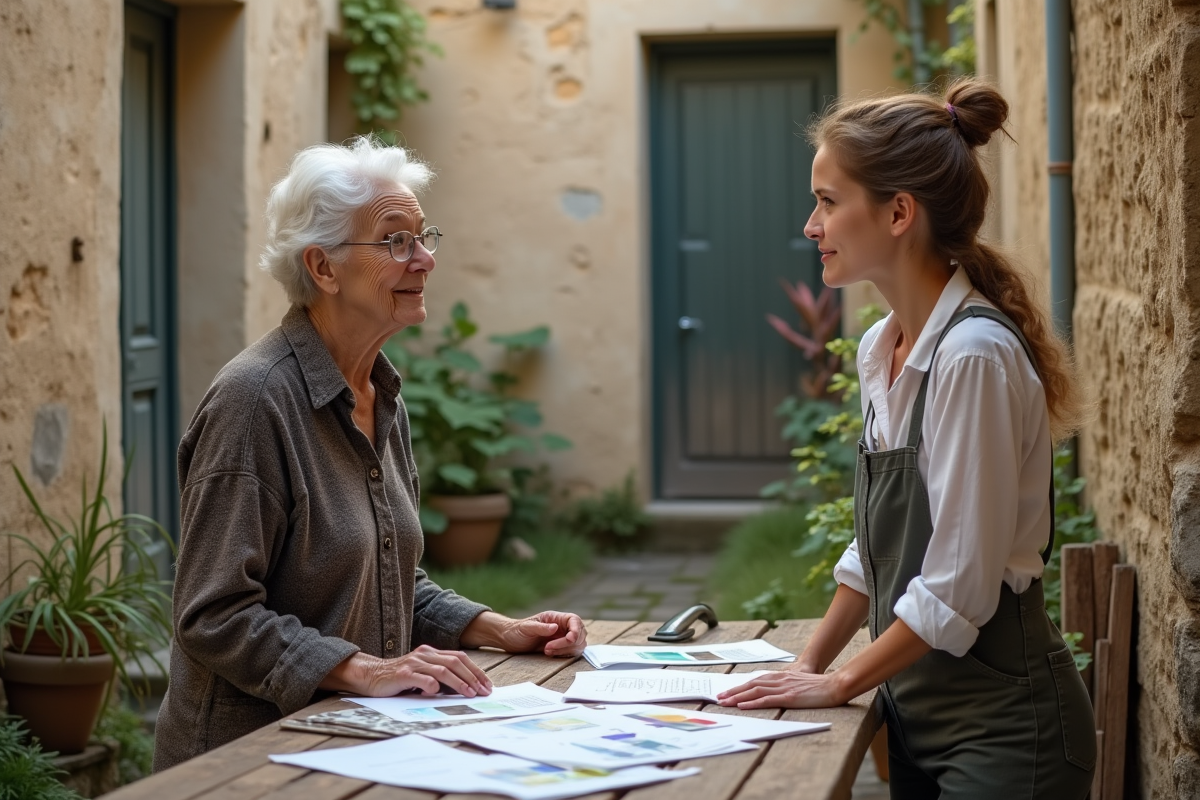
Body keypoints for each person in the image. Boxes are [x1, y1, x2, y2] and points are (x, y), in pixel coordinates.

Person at [153, 136, 587, 772]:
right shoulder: (254, 402)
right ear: (323, 269)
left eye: (423, 236)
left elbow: (389, 582)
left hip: (350, 744)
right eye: (395, 242)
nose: (425, 260)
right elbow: (213, 614)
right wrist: (364, 668)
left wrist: (501, 629)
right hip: (243, 764)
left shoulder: (378, 391)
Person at [716, 79, 1096, 798]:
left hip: (1008, 739)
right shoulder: (881, 348)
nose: (810, 225)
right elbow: (879, 549)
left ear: (898, 212)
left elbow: (957, 587)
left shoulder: (971, 357)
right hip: (919, 724)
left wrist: (838, 684)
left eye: (828, 202)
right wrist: (810, 664)